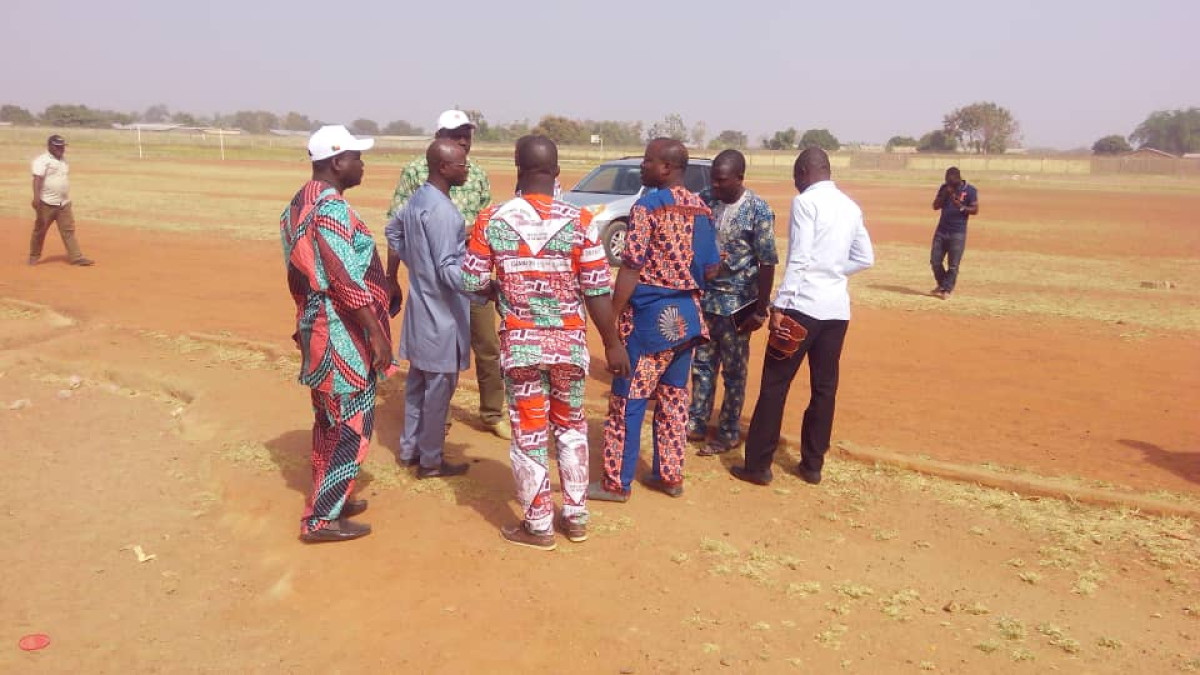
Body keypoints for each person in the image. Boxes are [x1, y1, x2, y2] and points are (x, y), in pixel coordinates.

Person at [462, 135, 628, 550]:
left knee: (530, 435)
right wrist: (612, 343)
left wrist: (502, 290)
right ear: (557, 173)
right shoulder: (582, 221)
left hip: (521, 348)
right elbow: (596, 291)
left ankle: (538, 526)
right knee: (571, 429)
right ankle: (575, 517)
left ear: (517, 169)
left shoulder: (491, 219)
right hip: (569, 347)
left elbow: (472, 281)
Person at [731, 147, 874, 487]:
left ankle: (758, 466)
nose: (796, 184)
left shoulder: (806, 203)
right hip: (837, 311)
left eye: (797, 177)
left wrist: (779, 306)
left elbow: (799, 258)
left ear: (804, 173)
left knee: (775, 385)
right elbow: (865, 257)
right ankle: (812, 465)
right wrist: (835, 270)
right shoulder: (850, 207)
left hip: (802, 307)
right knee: (824, 388)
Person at [280, 125, 394, 542]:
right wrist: (376, 335)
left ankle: (334, 495)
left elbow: (300, 275)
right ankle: (322, 518)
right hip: (341, 336)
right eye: (357, 157)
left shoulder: (297, 205)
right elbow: (345, 279)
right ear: (337, 162)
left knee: (328, 419)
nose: (363, 164)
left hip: (317, 327)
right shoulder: (331, 211)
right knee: (352, 422)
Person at [589, 139, 720, 502]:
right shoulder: (702, 208)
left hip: (649, 322)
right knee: (674, 399)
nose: (642, 166)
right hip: (687, 322)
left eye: (647, 160)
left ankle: (617, 482)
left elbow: (630, 268)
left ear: (666, 167)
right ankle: (670, 475)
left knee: (628, 400)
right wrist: (685, 278)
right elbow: (712, 266)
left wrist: (612, 319)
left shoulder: (647, 207)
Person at [386, 109, 509, 440]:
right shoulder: (416, 173)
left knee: (486, 345)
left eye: (467, 134)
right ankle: (434, 427)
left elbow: (487, 224)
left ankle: (492, 413)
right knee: (433, 358)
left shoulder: (475, 174)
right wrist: (397, 273)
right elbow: (396, 225)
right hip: (440, 285)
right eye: (456, 134)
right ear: (439, 138)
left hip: (472, 275)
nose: (464, 140)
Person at [386, 139, 474, 479]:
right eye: (461, 164)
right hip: (442, 319)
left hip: (422, 312)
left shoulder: (419, 198)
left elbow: (393, 230)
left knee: (416, 388)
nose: (466, 169)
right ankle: (431, 461)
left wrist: (415, 262)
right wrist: (484, 287)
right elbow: (448, 270)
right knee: (437, 393)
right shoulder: (444, 212)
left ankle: (410, 450)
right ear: (443, 167)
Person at [687, 149, 778, 456]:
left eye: (722, 180)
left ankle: (727, 431)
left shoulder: (758, 210)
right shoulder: (706, 200)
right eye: (713, 178)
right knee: (702, 364)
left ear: (739, 178)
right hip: (706, 299)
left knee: (734, 371)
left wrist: (760, 308)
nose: (715, 185)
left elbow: (767, 262)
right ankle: (696, 422)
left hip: (738, 304)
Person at [29, 135, 94, 266]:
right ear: (49, 146)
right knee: (40, 230)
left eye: (62, 146)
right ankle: (34, 256)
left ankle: (76, 257)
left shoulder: (64, 161)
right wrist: (36, 198)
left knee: (68, 230)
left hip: (63, 203)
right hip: (46, 203)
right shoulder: (42, 160)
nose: (61, 148)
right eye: (57, 146)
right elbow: (37, 179)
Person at [929, 167, 979, 299]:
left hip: (958, 232)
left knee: (953, 265)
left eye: (952, 183)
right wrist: (944, 194)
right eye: (947, 182)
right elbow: (935, 206)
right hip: (941, 230)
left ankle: (947, 290)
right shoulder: (944, 188)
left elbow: (975, 210)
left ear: (958, 179)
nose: (949, 185)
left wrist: (960, 206)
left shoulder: (970, 190)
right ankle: (942, 284)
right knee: (935, 261)